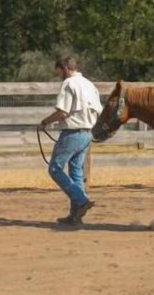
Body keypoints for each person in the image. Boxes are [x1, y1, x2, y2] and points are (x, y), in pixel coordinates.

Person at [37, 55, 101, 225]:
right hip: (88, 133)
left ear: (65, 68)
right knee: (76, 172)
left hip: (72, 133)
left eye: (59, 72)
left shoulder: (69, 84)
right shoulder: (89, 84)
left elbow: (63, 112)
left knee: (55, 169)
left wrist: (45, 122)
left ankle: (81, 200)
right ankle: (75, 215)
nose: (60, 76)